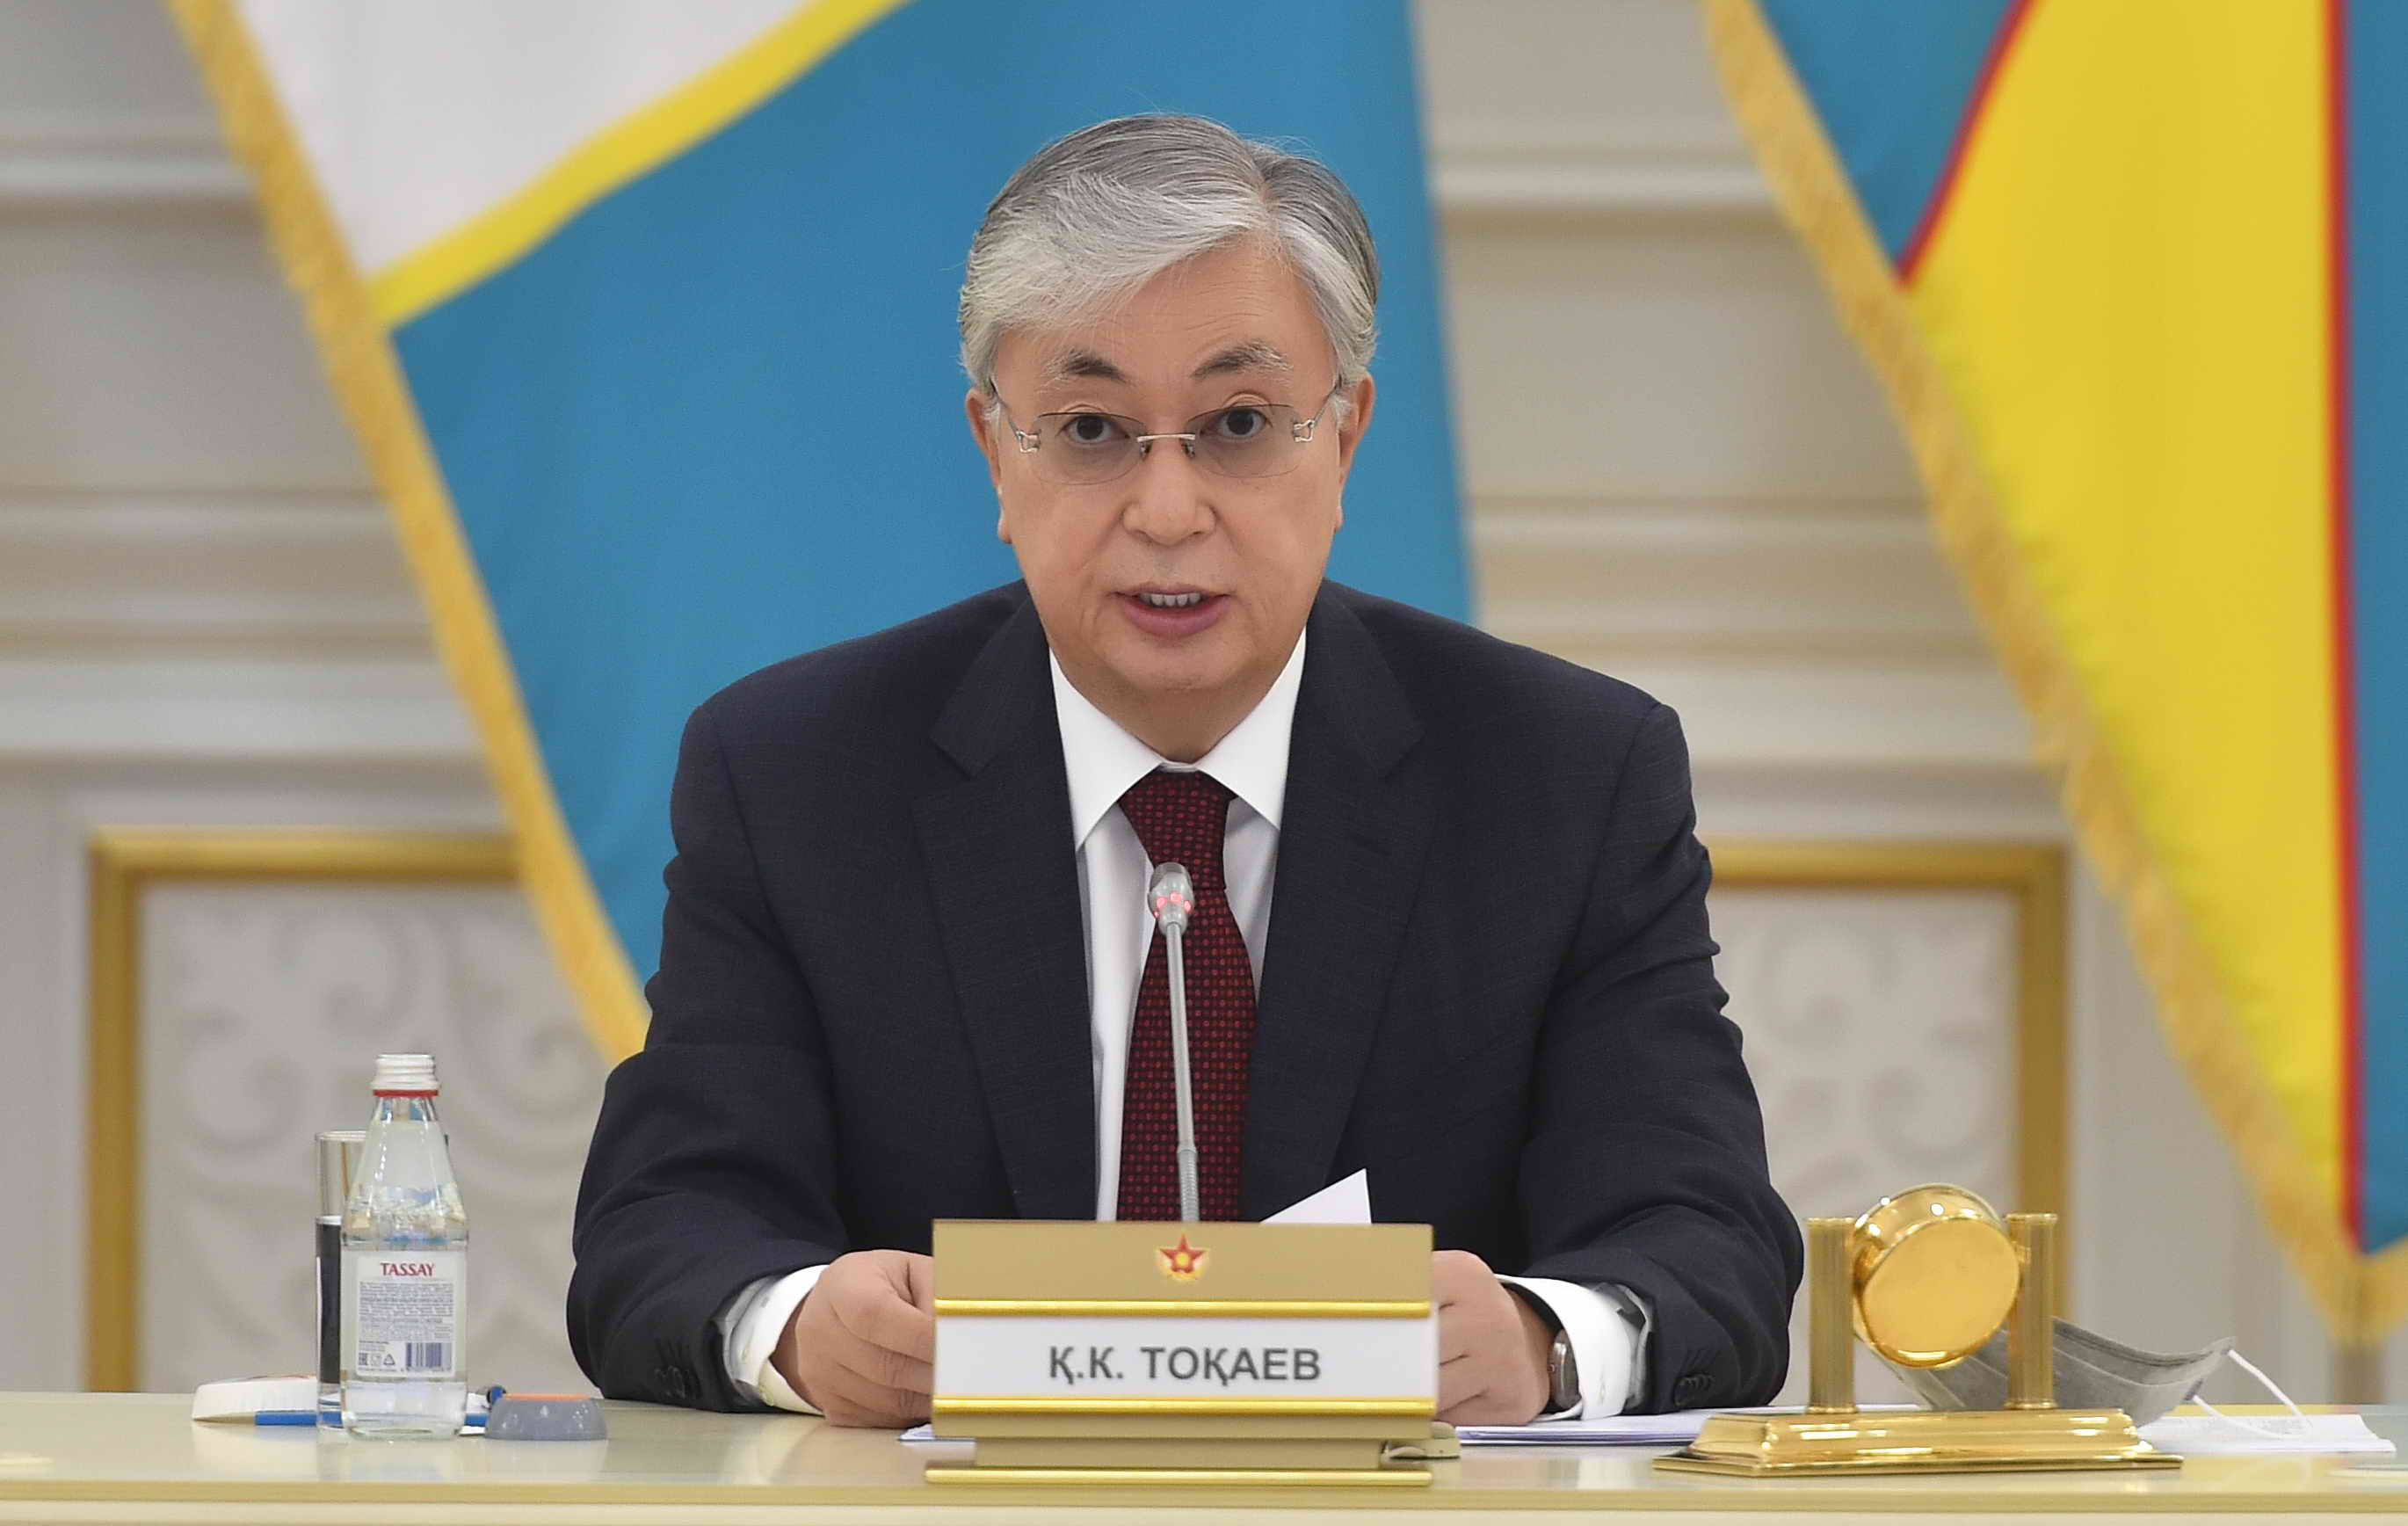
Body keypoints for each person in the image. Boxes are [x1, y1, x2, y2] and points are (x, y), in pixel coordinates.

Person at [569, 113, 1800, 1428]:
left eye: (1240, 423)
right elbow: (663, 1226)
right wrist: (796, 1326)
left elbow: (1706, 1239)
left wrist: (1543, 1342)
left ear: (1345, 440)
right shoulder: (798, 774)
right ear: (995, 452)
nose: (1167, 513)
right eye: (1092, 429)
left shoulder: (1563, 777)